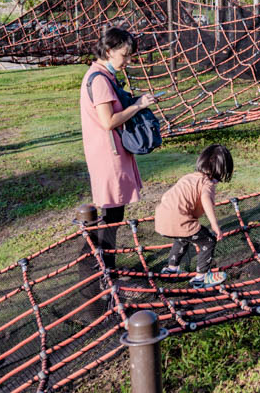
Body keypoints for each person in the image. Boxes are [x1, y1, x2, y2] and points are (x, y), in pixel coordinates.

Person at [80, 27, 156, 274]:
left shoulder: (103, 75)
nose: (128, 60)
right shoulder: (100, 79)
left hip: (110, 153)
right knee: (111, 214)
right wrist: (138, 105)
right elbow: (108, 121)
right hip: (107, 155)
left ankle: (104, 265)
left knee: (113, 212)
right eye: (124, 55)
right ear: (109, 51)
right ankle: (105, 269)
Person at [156, 144, 233, 287]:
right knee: (208, 241)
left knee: (182, 238)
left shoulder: (189, 177)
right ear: (221, 170)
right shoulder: (207, 183)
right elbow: (205, 200)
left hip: (162, 220)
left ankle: (171, 270)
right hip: (180, 220)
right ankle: (201, 278)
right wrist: (215, 225)